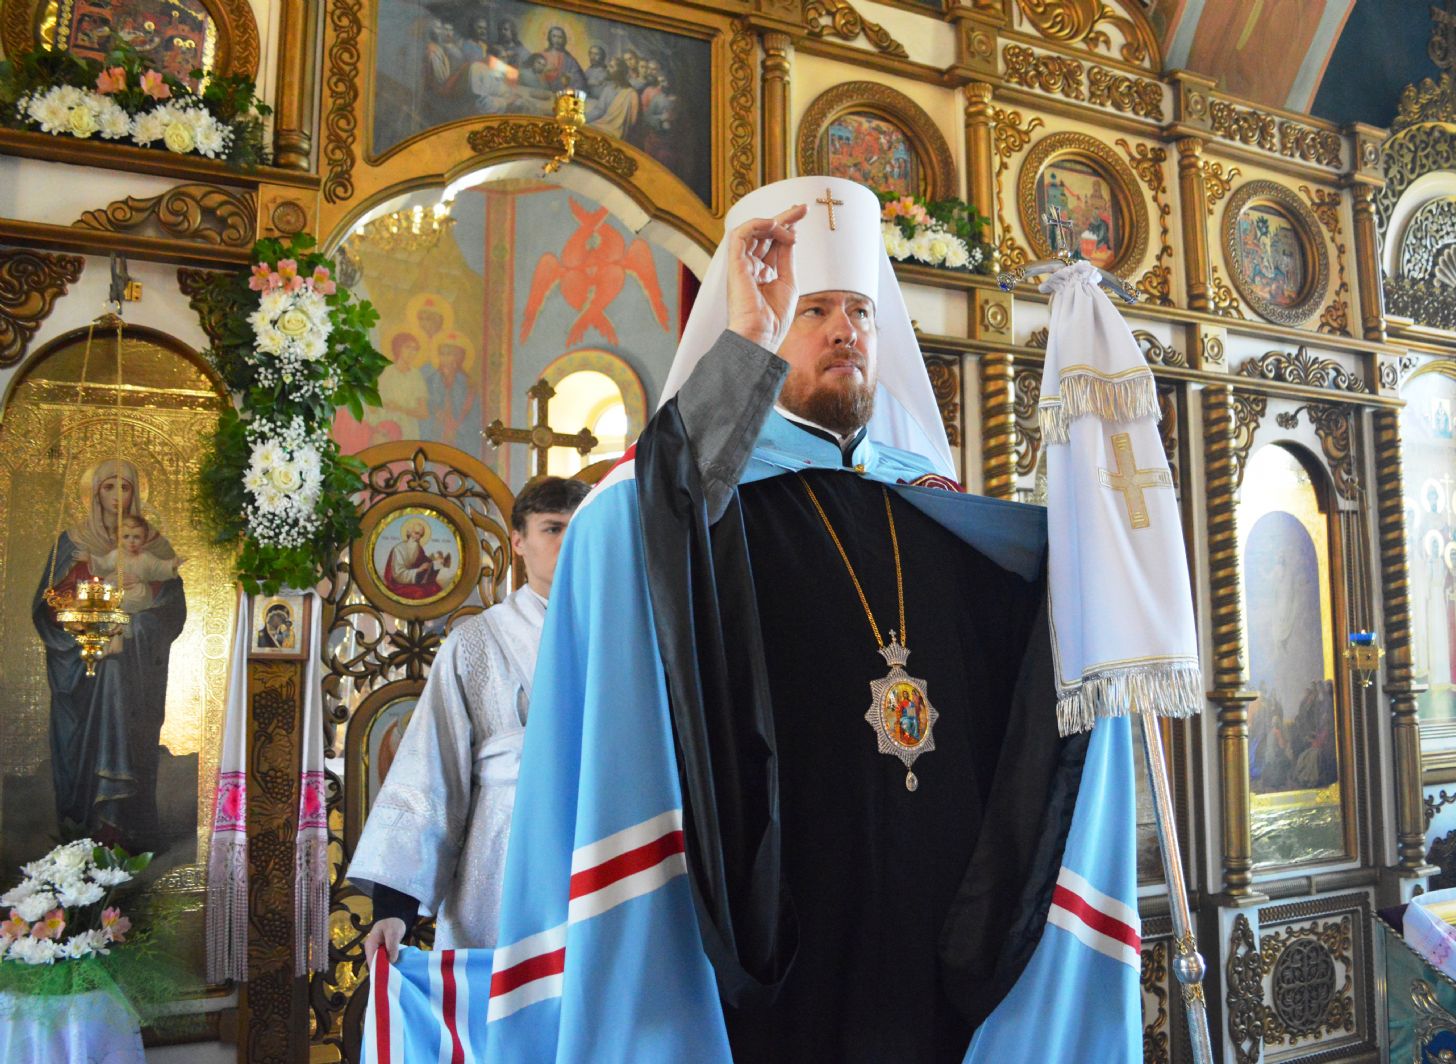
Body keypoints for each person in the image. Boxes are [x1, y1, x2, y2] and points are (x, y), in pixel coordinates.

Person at [456, 177, 1152, 1061]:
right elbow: (625, 529)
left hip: (937, 916)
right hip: (784, 918)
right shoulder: (707, 503)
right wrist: (744, 347)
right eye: (814, 310)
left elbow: (1037, 641)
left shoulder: (931, 509)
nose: (843, 330)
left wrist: (1101, 544)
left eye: (859, 311)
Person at [350, 476, 592, 957]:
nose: (568, 542)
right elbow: (430, 768)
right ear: (518, 541)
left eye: (579, 528)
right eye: (552, 528)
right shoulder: (475, 642)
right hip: (502, 855)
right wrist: (394, 909)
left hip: (600, 846)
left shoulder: (627, 631)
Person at [34, 459, 186, 851]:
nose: (118, 496)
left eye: (126, 487)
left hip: (135, 671)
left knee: (117, 675)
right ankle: (82, 831)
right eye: (109, 487)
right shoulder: (72, 544)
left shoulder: (153, 546)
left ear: (136, 492)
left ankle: (123, 830)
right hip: (80, 671)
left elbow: (171, 611)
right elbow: (48, 606)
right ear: (94, 492)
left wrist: (136, 626)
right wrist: (84, 622)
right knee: (105, 676)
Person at [89, 514, 184, 615]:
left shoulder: (146, 557)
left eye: (136, 537)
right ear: (118, 538)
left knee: (139, 601)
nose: (131, 541)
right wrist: (91, 560)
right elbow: (102, 564)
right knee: (111, 596)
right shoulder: (116, 555)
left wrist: (172, 565)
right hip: (119, 590)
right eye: (126, 537)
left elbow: (159, 568)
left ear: (144, 539)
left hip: (139, 595)